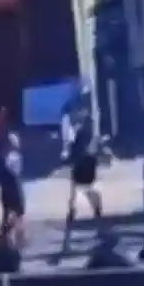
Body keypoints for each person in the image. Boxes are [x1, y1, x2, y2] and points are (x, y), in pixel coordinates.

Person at [58, 107, 105, 257]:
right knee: (73, 210)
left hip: (90, 178)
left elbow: (96, 155)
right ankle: (66, 243)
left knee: (97, 209)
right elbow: (80, 154)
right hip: (79, 179)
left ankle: (100, 236)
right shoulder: (82, 136)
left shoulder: (93, 137)